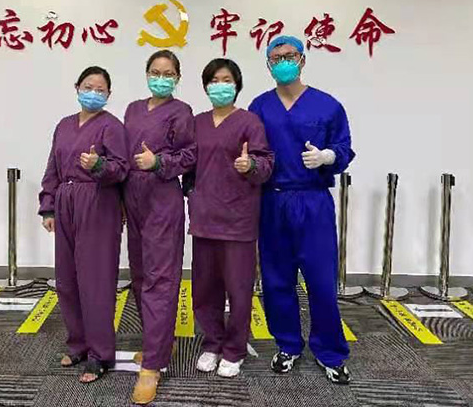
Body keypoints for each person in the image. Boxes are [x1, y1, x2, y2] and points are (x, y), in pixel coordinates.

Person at [249, 35, 356, 384]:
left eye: (289, 55)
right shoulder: (259, 106)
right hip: (273, 200)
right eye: (276, 57)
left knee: (321, 281)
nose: (283, 62)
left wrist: (328, 156)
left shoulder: (327, 105)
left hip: (312, 201)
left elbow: (344, 148)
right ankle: (288, 345)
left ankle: (330, 351)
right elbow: (249, 151)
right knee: (277, 279)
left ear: (303, 59)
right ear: (268, 64)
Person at [38, 66, 129, 384]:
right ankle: (78, 344)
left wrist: (99, 164)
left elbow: (122, 169)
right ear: (77, 87)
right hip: (66, 201)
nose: (93, 93)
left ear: (109, 94)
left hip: (98, 201)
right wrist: (48, 207)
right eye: (88, 87)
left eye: (100, 89)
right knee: (67, 279)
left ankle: (101, 354)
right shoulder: (64, 125)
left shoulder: (112, 127)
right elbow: (53, 167)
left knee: (96, 281)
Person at [185, 58, 273, 378]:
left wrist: (250, 166)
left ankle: (234, 349)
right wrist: (189, 191)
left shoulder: (250, 122)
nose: (220, 86)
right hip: (204, 218)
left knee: (238, 289)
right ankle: (212, 342)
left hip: (238, 219)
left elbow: (266, 163)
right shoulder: (197, 122)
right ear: (205, 86)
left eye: (226, 80)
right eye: (214, 80)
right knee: (204, 288)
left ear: (237, 85)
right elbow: (188, 163)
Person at [123, 50, 196, 405]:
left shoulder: (182, 112)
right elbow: (123, 155)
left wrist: (158, 162)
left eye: (168, 73)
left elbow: (189, 156)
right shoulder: (133, 109)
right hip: (133, 197)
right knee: (139, 275)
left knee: (160, 280)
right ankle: (158, 343)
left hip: (162, 199)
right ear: (146, 73)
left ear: (178, 78)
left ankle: (152, 365)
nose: (161, 78)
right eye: (155, 71)